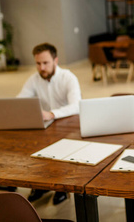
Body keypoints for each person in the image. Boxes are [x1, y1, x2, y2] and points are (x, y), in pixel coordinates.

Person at [17, 42, 82, 205]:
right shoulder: (34, 79)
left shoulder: (68, 77)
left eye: (45, 63)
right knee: (31, 146)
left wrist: (52, 114)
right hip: (46, 124)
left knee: (60, 150)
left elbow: (76, 105)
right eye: (38, 64)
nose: (42, 68)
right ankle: (41, 185)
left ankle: (61, 187)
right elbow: (20, 100)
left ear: (55, 61)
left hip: (68, 125)